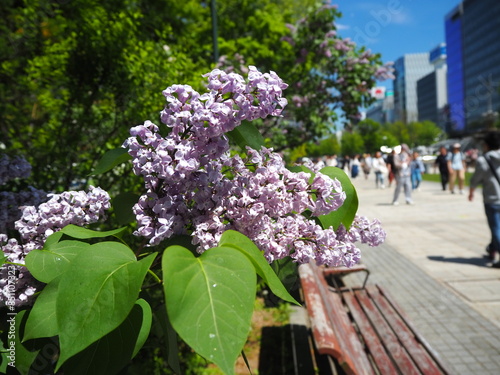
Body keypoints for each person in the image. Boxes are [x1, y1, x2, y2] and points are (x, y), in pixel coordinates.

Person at [468, 132, 500, 266]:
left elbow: (475, 179)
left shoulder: (483, 160)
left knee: (496, 228)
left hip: (492, 200)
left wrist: (471, 191)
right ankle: (492, 249)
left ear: (486, 145)